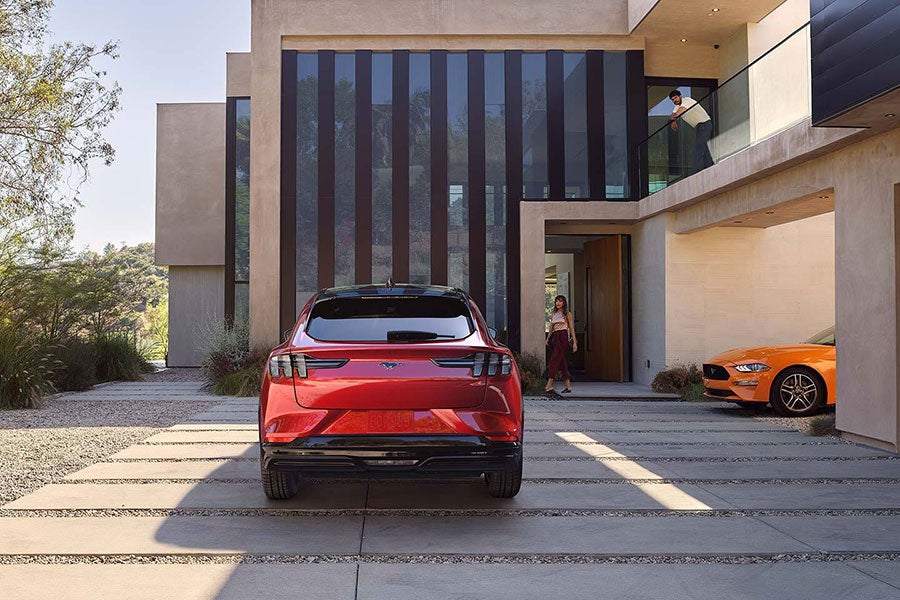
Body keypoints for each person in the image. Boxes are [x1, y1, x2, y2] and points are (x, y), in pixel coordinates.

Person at [668, 89, 713, 174]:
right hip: (699, 127)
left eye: (676, 98)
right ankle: (709, 166)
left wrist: (674, 118)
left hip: (705, 124)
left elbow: (680, 111)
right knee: (704, 147)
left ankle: (694, 171)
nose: (675, 100)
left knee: (698, 147)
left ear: (680, 96)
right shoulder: (677, 106)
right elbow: (673, 115)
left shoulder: (687, 100)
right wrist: (673, 121)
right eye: (673, 99)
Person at [544, 295, 577, 394]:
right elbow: (551, 328)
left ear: (564, 303)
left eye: (560, 301)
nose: (558, 303)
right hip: (556, 337)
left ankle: (549, 385)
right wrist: (547, 338)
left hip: (563, 337)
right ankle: (568, 386)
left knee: (554, 361)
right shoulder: (554, 314)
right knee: (561, 362)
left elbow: (571, 328)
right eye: (557, 301)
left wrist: (575, 342)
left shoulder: (567, 314)